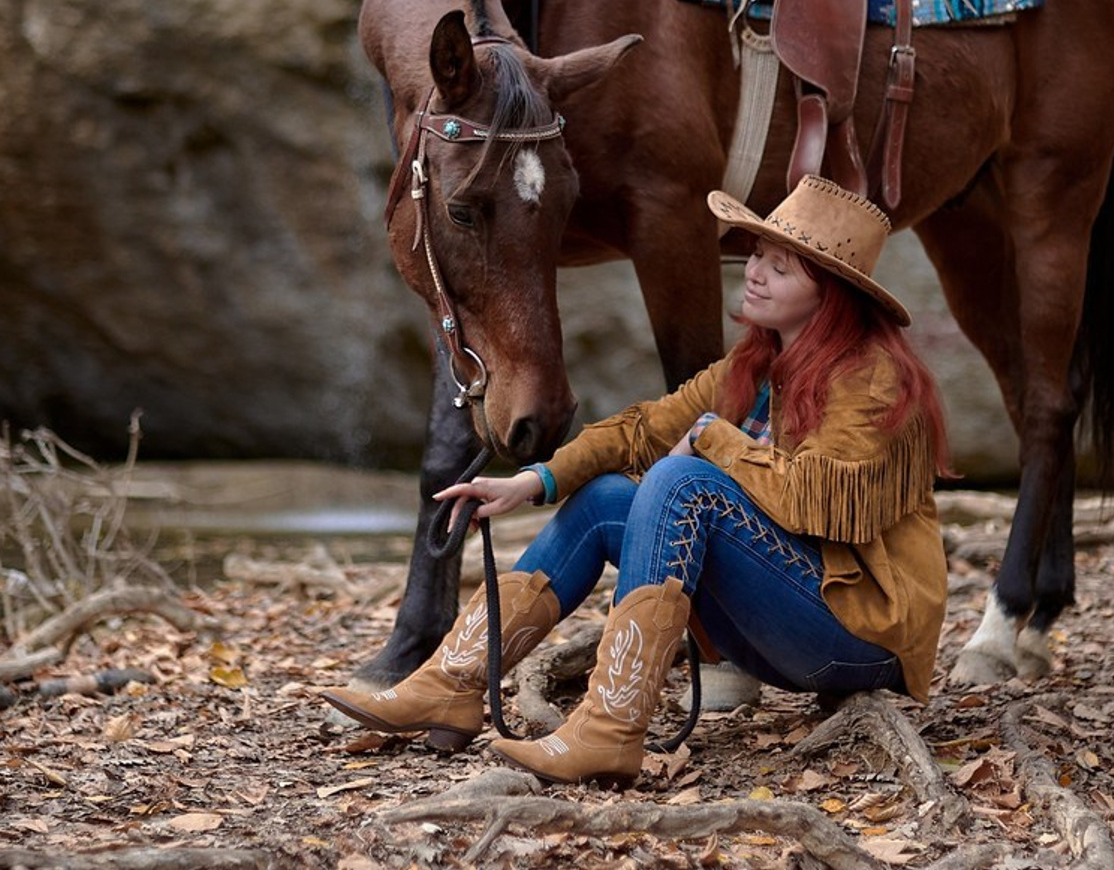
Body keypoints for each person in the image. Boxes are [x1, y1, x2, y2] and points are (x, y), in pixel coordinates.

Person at [320, 175, 952, 787]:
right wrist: (535, 480)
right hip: (780, 624)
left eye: (780, 268)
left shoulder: (872, 378)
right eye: (758, 254)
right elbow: (641, 430)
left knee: (683, 480)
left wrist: (711, 439)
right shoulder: (757, 363)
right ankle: (451, 684)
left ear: (830, 295)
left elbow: (819, 503)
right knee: (604, 499)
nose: (755, 272)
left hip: (858, 636)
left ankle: (611, 728)